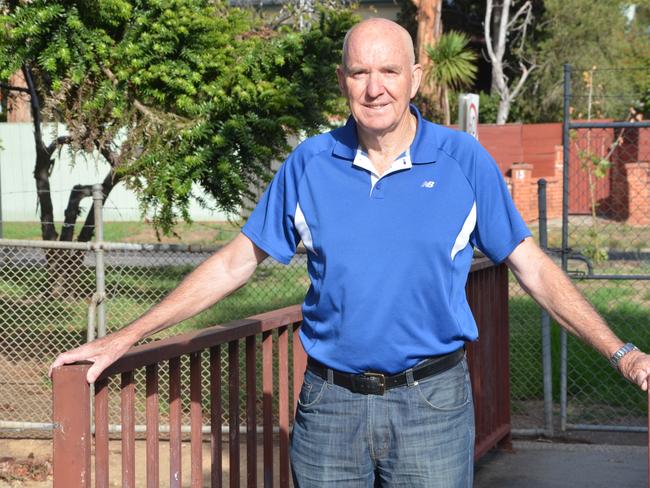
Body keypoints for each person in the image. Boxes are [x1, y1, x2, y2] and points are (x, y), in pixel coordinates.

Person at [51, 17, 650, 488]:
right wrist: (126, 337)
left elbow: (533, 268)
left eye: (389, 70)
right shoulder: (309, 163)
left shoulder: (463, 161)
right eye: (359, 72)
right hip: (329, 406)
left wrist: (623, 354)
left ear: (416, 77)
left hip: (433, 405)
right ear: (343, 81)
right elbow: (236, 262)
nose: (374, 87)